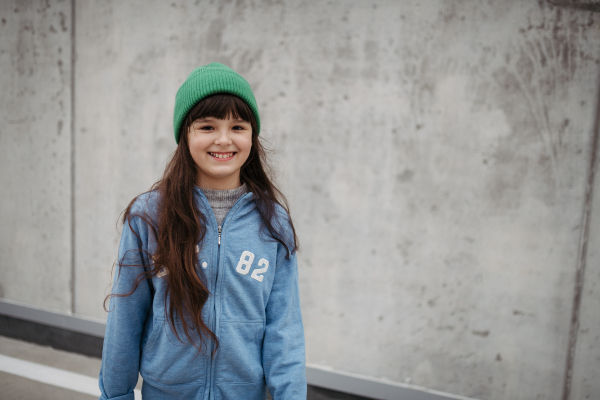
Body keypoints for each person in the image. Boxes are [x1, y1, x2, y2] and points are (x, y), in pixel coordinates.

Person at [98, 63, 306, 400]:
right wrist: (115, 395)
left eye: (238, 126)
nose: (224, 139)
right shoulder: (149, 216)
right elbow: (125, 321)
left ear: (251, 135)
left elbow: (284, 330)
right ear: (186, 135)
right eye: (207, 126)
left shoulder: (273, 222)